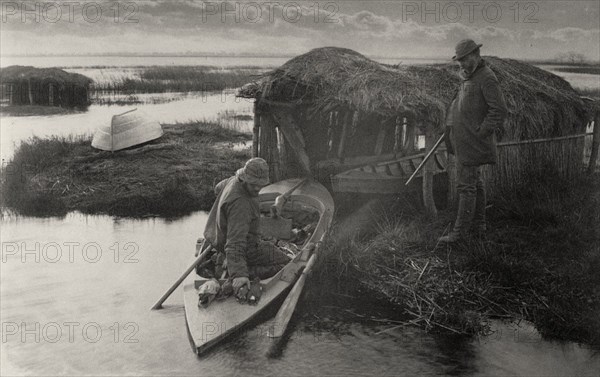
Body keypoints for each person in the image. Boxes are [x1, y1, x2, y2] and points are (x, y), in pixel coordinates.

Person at [440, 39, 508, 244]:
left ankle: (459, 234)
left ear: (476, 55)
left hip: (472, 141)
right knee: (475, 184)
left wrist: (481, 132)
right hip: (464, 140)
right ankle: (479, 227)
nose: (460, 64)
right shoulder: (469, 76)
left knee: (466, 187)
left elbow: (499, 110)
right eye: (459, 60)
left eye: (464, 59)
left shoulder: (486, 78)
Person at [201, 157, 290, 294]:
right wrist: (239, 274)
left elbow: (218, 188)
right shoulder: (241, 205)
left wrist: (226, 212)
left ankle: (226, 260)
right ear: (245, 179)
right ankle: (242, 271)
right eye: (253, 183)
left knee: (265, 245)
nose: (257, 188)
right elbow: (235, 242)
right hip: (244, 246)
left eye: (260, 184)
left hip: (218, 239)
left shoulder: (232, 181)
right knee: (288, 263)